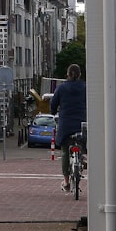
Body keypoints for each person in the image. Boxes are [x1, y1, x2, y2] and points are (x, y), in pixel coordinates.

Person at [50, 63, 87, 194]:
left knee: (65, 152)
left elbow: (53, 104)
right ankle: (81, 158)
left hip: (66, 125)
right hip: (82, 123)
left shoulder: (61, 88)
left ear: (67, 74)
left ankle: (66, 182)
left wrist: (53, 111)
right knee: (83, 143)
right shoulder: (85, 87)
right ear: (80, 74)